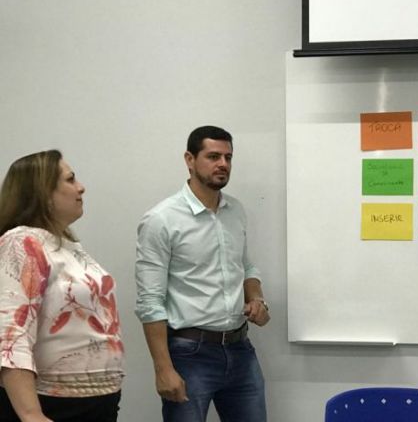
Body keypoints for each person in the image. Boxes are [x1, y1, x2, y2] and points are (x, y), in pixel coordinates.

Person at [135, 125, 270, 422]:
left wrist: (257, 298)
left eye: (228, 157)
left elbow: (246, 267)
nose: (223, 164)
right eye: (213, 156)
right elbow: (150, 301)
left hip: (240, 348)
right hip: (189, 353)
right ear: (190, 159)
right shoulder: (162, 219)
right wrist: (163, 368)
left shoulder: (235, 210)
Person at [0, 150, 125, 422]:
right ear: (42, 192)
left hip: (97, 402)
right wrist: (31, 414)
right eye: (70, 179)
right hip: (53, 406)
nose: (81, 187)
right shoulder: (22, 242)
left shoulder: (67, 247)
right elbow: (11, 333)